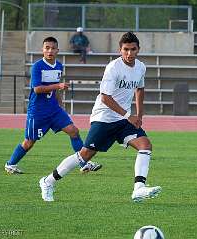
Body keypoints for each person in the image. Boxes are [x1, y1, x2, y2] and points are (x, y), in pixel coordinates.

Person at [39, 32, 162, 202]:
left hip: (123, 120)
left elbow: (139, 89)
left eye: (133, 49)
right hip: (104, 117)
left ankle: (139, 188)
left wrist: (139, 114)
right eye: (125, 49)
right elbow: (105, 97)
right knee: (85, 155)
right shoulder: (113, 67)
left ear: (138, 49)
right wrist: (129, 115)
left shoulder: (141, 67)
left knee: (145, 145)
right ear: (120, 50)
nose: (129, 53)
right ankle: (48, 181)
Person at [5, 37, 101, 174]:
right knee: (29, 142)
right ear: (42, 50)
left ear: (57, 50)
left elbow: (56, 90)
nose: (50, 51)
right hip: (38, 111)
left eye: (52, 48)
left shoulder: (59, 66)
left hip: (54, 110)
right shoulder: (37, 66)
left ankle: (84, 163)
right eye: (47, 48)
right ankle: (11, 164)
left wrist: (61, 106)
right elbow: (37, 89)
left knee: (73, 131)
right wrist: (58, 85)